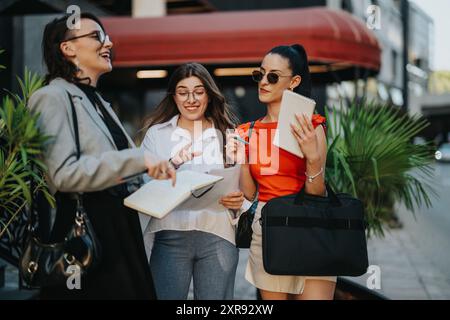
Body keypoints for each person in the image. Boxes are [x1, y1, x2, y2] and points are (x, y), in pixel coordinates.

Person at [28, 13, 175, 299]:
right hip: (87, 233)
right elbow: (63, 175)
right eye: (97, 36)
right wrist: (138, 160)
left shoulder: (98, 101)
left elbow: (114, 169)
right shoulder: (52, 97)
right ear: (67, 48)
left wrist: (151, 179)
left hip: (118, 228)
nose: (108, 42)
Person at [229, 44, 336, 300]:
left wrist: (312, 158)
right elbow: (249, 193)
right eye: (260, 74)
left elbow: (317, 193)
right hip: (269, 229)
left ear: (294, 81)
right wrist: (242, 158)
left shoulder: (312, 126)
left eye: (273, 76)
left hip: (312, 225)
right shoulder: (246, 132)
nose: (263, 82)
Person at [141, 62, 251, 300]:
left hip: (218, 235)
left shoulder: (229, 134)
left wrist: (239, 201)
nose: (191, 99)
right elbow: (143, 188)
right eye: (183, 92)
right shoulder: (156, 135)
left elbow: (246, 190)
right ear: (174, 97)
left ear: (209, 96)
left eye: (199, 91)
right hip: (170, 235)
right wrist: (173, 163)